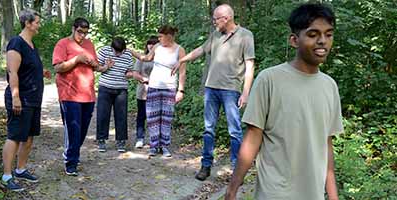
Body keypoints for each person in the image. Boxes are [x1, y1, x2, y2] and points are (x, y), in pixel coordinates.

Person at [225, 3, 342, 199]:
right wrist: (232, 189)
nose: (322, 41)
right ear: (294, 40)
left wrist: (333, 195)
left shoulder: (329, 86)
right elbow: (253, 137)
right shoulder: (269, 79)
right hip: (275, 192)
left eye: (328, 34)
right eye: (313, 35)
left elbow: (326, 144)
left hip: (312, 193)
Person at [177, 4, 255, 180]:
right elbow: (200, 50)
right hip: (211, 89)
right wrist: (182, 60)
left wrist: (246, 92)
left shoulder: (245, 35)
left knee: (234, 131)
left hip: (231, 90)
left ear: (226, 18)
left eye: (215, 19)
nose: (214, 23)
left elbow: (250, 66)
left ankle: (237, 171)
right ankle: (206, 166)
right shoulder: (215, 35)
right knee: (208, 129)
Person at [1, 9, 51, 192]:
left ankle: (21, 169)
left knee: (28, 137)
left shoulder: (31, 44)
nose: (39, 25)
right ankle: (7, 176)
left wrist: (41, 72)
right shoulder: (17, 43)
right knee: (14, 136)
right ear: (28, 23)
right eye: (37, 22)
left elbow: (28, 68)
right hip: (20, 98)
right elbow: (12, 72)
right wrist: (15, 97)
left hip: (34, 99)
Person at [52, 17, 108, 176]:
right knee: (73, 129)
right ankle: (71, 161)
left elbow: (96, 66)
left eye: (85, 33)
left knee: (82, 130)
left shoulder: (89, 44)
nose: (82, 35)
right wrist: (76, 59)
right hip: (69, 93)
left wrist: (103, 66)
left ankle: (72, 153)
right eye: (79, 32)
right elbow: (57, 67)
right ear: (73, 28)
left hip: (88, 94)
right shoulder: (62, 44)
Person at [131, 25, 187, 158]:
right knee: (152, 117)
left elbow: (182, 72)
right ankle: (154, 145)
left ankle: (165, 146)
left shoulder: (180, 50)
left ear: (169, 36)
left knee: (166, 118)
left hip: (169, 88)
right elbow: (146, 58)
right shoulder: (157, 47)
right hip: (154, 86)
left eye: (161, 36)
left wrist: (181, 90)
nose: (158, 39)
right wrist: (131, 51)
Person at [95, 37, 134, 153]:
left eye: (120, 52)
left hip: (121, 90)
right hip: (105, 88)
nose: (118, 54)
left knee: (121, 116)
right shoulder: (104, 51)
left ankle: (121, 141)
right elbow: (96, 67)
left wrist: (129, 74)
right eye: (116, 51)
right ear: (112, 48)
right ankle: (101, 140)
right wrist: (106, 67)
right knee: (102, 115)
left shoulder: (127, 55)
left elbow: (129, 71)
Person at [127, 36, 159, 149]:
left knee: (155, 116)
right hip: (143, 90)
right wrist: (145, 79)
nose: (151, 46)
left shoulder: (161, 58)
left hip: (157, 90)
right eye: (149, 44)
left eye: (154, 44)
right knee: (141, 115)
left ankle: (154, 140)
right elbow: (135, 73)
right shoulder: (142, 57)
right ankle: (140, 138)